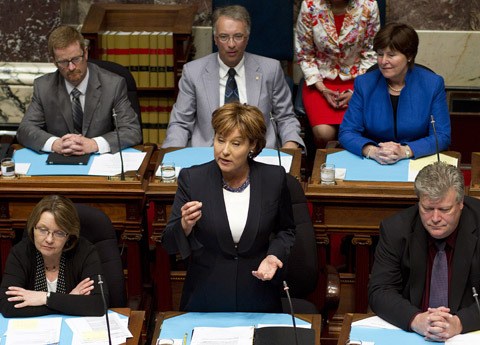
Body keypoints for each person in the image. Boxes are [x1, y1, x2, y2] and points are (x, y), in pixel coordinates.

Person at [162, 102, 296, 312]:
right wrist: (185, 225)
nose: (224, 151)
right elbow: (169, 243)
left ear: (252, 145)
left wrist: (273, 255)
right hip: (205, 294)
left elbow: (286, 230)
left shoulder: (274, 178)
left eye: (235, 143)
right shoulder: (193, 178)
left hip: (257, 292)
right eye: (220, 140)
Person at [162, 5, 304, 150]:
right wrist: (171, 155)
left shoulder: (270, 70)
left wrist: (290, 145)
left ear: (247, 38)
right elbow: (180, 123)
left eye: (238, 36)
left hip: (258, 153)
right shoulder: (193, 72)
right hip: (208, 154)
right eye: (224, 37)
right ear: (215, 39)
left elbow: (286, 118)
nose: (231, 44)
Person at [368, 162, 480, 341]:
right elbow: (380, 291)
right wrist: (416, 319)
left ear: (460, 204)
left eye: (444, 209)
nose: (435, 218)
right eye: (427, 209)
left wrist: (459, 323)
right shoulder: (396, 229)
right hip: (415, 336)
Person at [16, 26, 142, 155]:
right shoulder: (44, 87)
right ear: (54, 62)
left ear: (86, 53)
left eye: (76, 59)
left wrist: (94, 144)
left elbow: (131, 131)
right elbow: (25, 130)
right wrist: (55, 144)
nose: (71, 67)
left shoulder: (113, 84)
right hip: (60, 161)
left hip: (100, 162)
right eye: (64, 62)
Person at [339, 22, 451, 164]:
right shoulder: (364, 84)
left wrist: (405, 151)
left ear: (409, 56)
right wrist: (373, 151)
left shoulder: (432, 84)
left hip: (416, 160)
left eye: (391, 55)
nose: (383, 61)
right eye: (380, 54)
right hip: (374, 161)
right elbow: (347, 132)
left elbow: (441, 136)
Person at [0, 195, 107, 317]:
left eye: (59, 233)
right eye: (42, 229)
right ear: (32, 228)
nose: (49, 239)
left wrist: (45, 298)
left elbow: (99, 304)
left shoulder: (85, 252)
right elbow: (7, 306)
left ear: (69, 235)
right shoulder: (20, 253)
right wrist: (68, 301)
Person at [295, 0, 380, 148]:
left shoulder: (369, 5)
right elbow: (305, 54)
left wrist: (358, 90)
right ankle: (322, 167)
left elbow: (372, 53)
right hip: (320, 81)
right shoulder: (309, 6)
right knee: (324, 134)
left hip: (359, 79)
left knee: (356, 131)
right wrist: (323, 89)